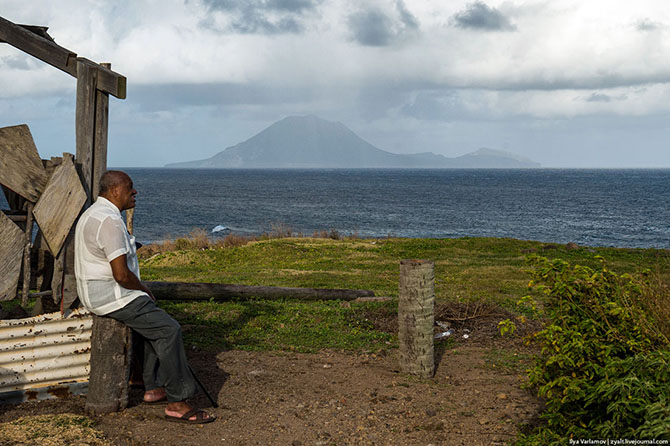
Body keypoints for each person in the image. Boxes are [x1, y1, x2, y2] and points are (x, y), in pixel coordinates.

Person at [74, 170, 215, 424]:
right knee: (168, 329)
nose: (135, 192)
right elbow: (120, 274)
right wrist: (143, 290)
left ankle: (152, 386)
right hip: (111, 294)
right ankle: (178, 402)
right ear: (115, 191)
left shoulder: (92, 213)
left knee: (152, 324)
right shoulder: (110, 221)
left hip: (98, 292)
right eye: (130, 187)